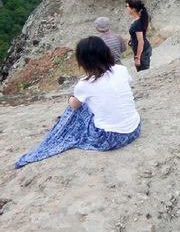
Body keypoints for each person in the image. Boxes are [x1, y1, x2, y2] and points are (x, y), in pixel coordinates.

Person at [15, 36, 141, 168]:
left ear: (83, 60)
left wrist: (70, 98)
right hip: (135, 128)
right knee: (91, 101)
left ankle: (59, 134)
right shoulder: (121, 70)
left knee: (75, 106)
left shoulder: (85, 84)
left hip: (110, 138)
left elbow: (75, 106)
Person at [126, 0, 152, 71]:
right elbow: (148, 29)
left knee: (143, 71)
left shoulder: (137, 23)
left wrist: (138, 57)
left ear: (133, 9)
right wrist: (132, 38)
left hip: (142, 51)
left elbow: (141, 42)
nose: (126, 8)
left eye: (127, 6)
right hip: (144, 49)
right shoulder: (141, 18)